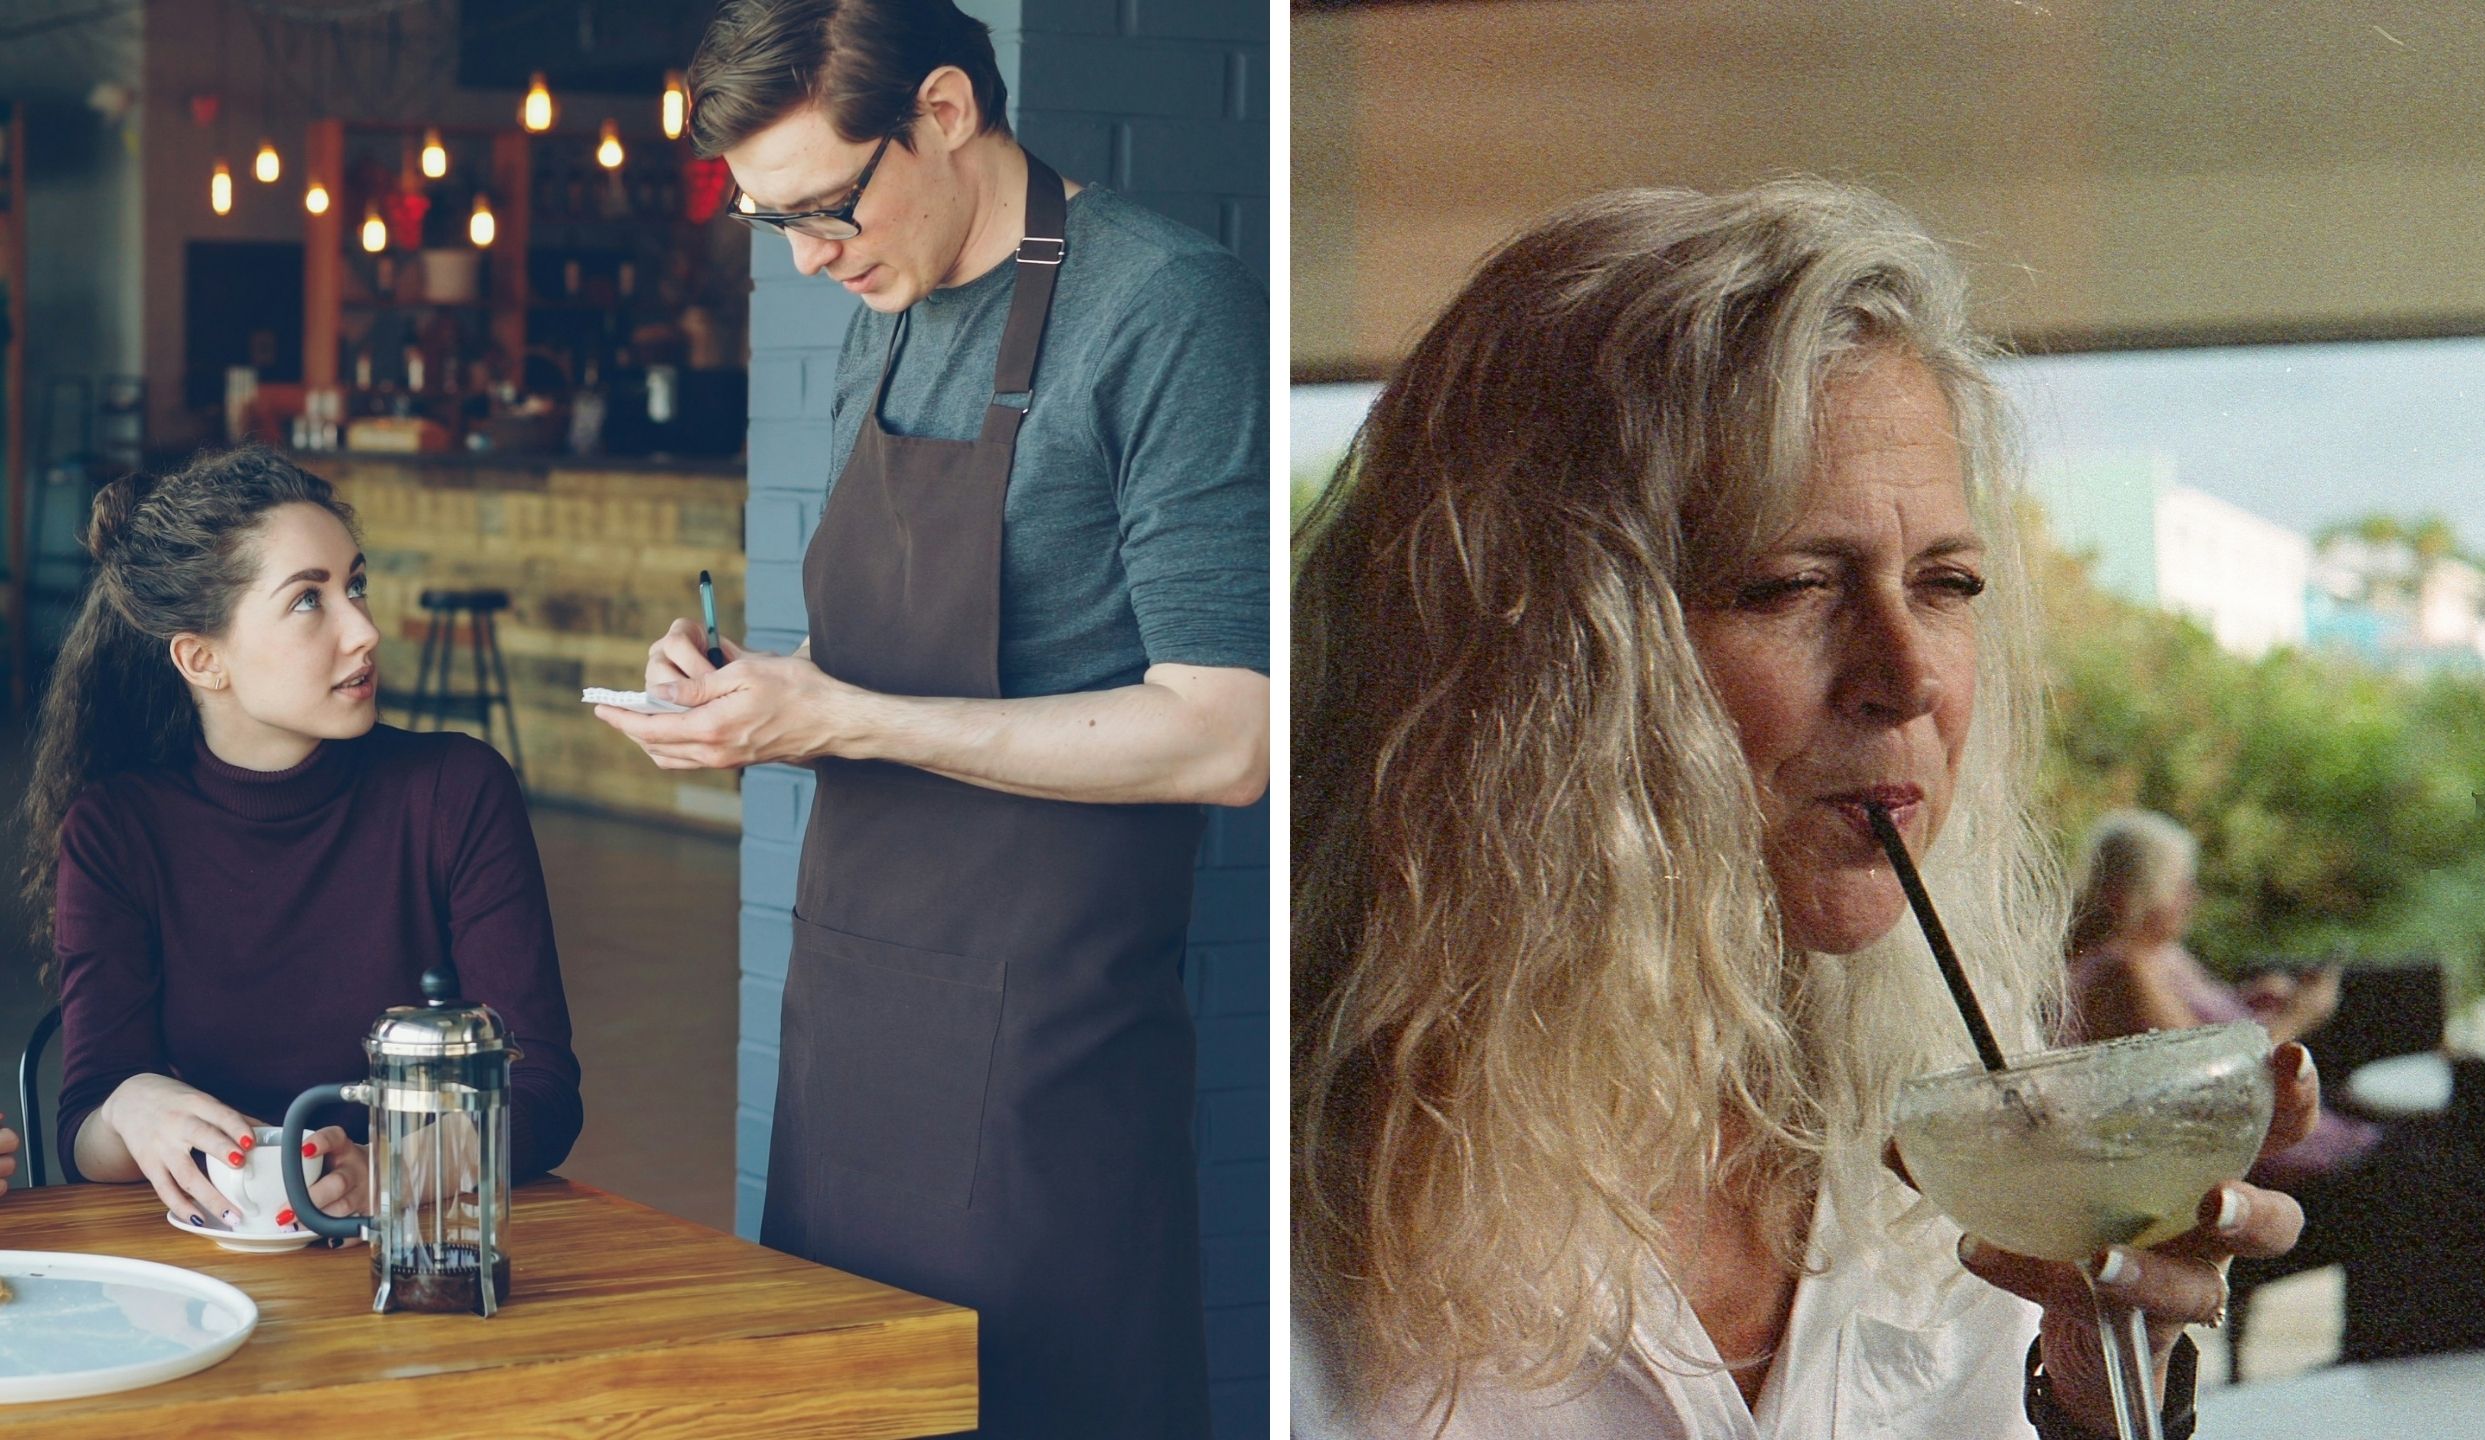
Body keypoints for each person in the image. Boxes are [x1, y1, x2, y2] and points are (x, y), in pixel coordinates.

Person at [1292, 182, 2318, 1438]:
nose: (1911, 677)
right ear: (1525, 661)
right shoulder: (1244, 1192)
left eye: (1944, 584)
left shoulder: (1960, 1152)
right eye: (1787, 584)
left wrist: (2091, 1402)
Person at [594, 3, 1267, 1435]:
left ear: (946, 111)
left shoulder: (1164, 305)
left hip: (1049, 1036)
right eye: (770, 224)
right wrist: (746, 687)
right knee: (842, 1396)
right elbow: (897, 666)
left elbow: (1227, 735)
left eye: (829, 208)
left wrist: (841, 716)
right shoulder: (877, 321)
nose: (812, 258)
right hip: (851, 1013)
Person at [18, 445, 580, 1229]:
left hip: (415, 1252)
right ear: (201, 659)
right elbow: (84, 1132)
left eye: (355, 585)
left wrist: (387, 1172)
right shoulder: (117, 830)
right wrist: (131, 1105)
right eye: (309, 601)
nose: (365, 630)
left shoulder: (456, 790)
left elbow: (542, 1092)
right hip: (212, 1268)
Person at [2065, 809, 2379, 1192]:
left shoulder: (2161, 953)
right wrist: (2300, 1016)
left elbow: (2190, 1028)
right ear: (2137, 893)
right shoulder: (2123, 970)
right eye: (2181, 886)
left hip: (2304, 1141)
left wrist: (2246, 1000)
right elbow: (2211, 1082)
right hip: (2267, 1163)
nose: (2192, 898)